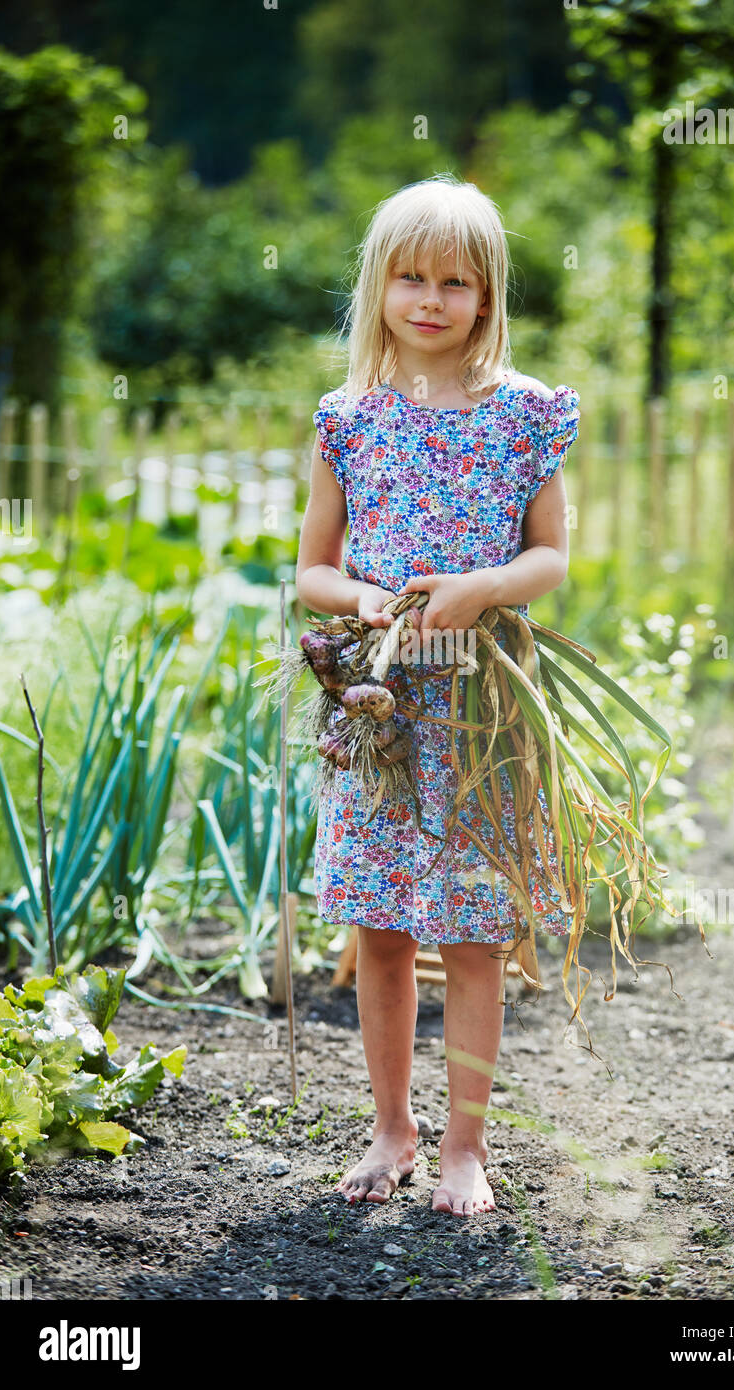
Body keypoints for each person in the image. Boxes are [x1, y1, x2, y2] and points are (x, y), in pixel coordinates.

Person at [296, 173, 580, 1218]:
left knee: (470, 928)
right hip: (375, 710)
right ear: (379, 287)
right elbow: (311, 574)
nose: (429, 299)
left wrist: (483, 587)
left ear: (486, 294)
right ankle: (390, 1127)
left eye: (453, 282)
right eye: (410, 278)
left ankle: (464, 1145)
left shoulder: (524, 415)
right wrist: (368, 599)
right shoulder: (348, 419)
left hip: (481, 709)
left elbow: (549, 554)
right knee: (378, 924)